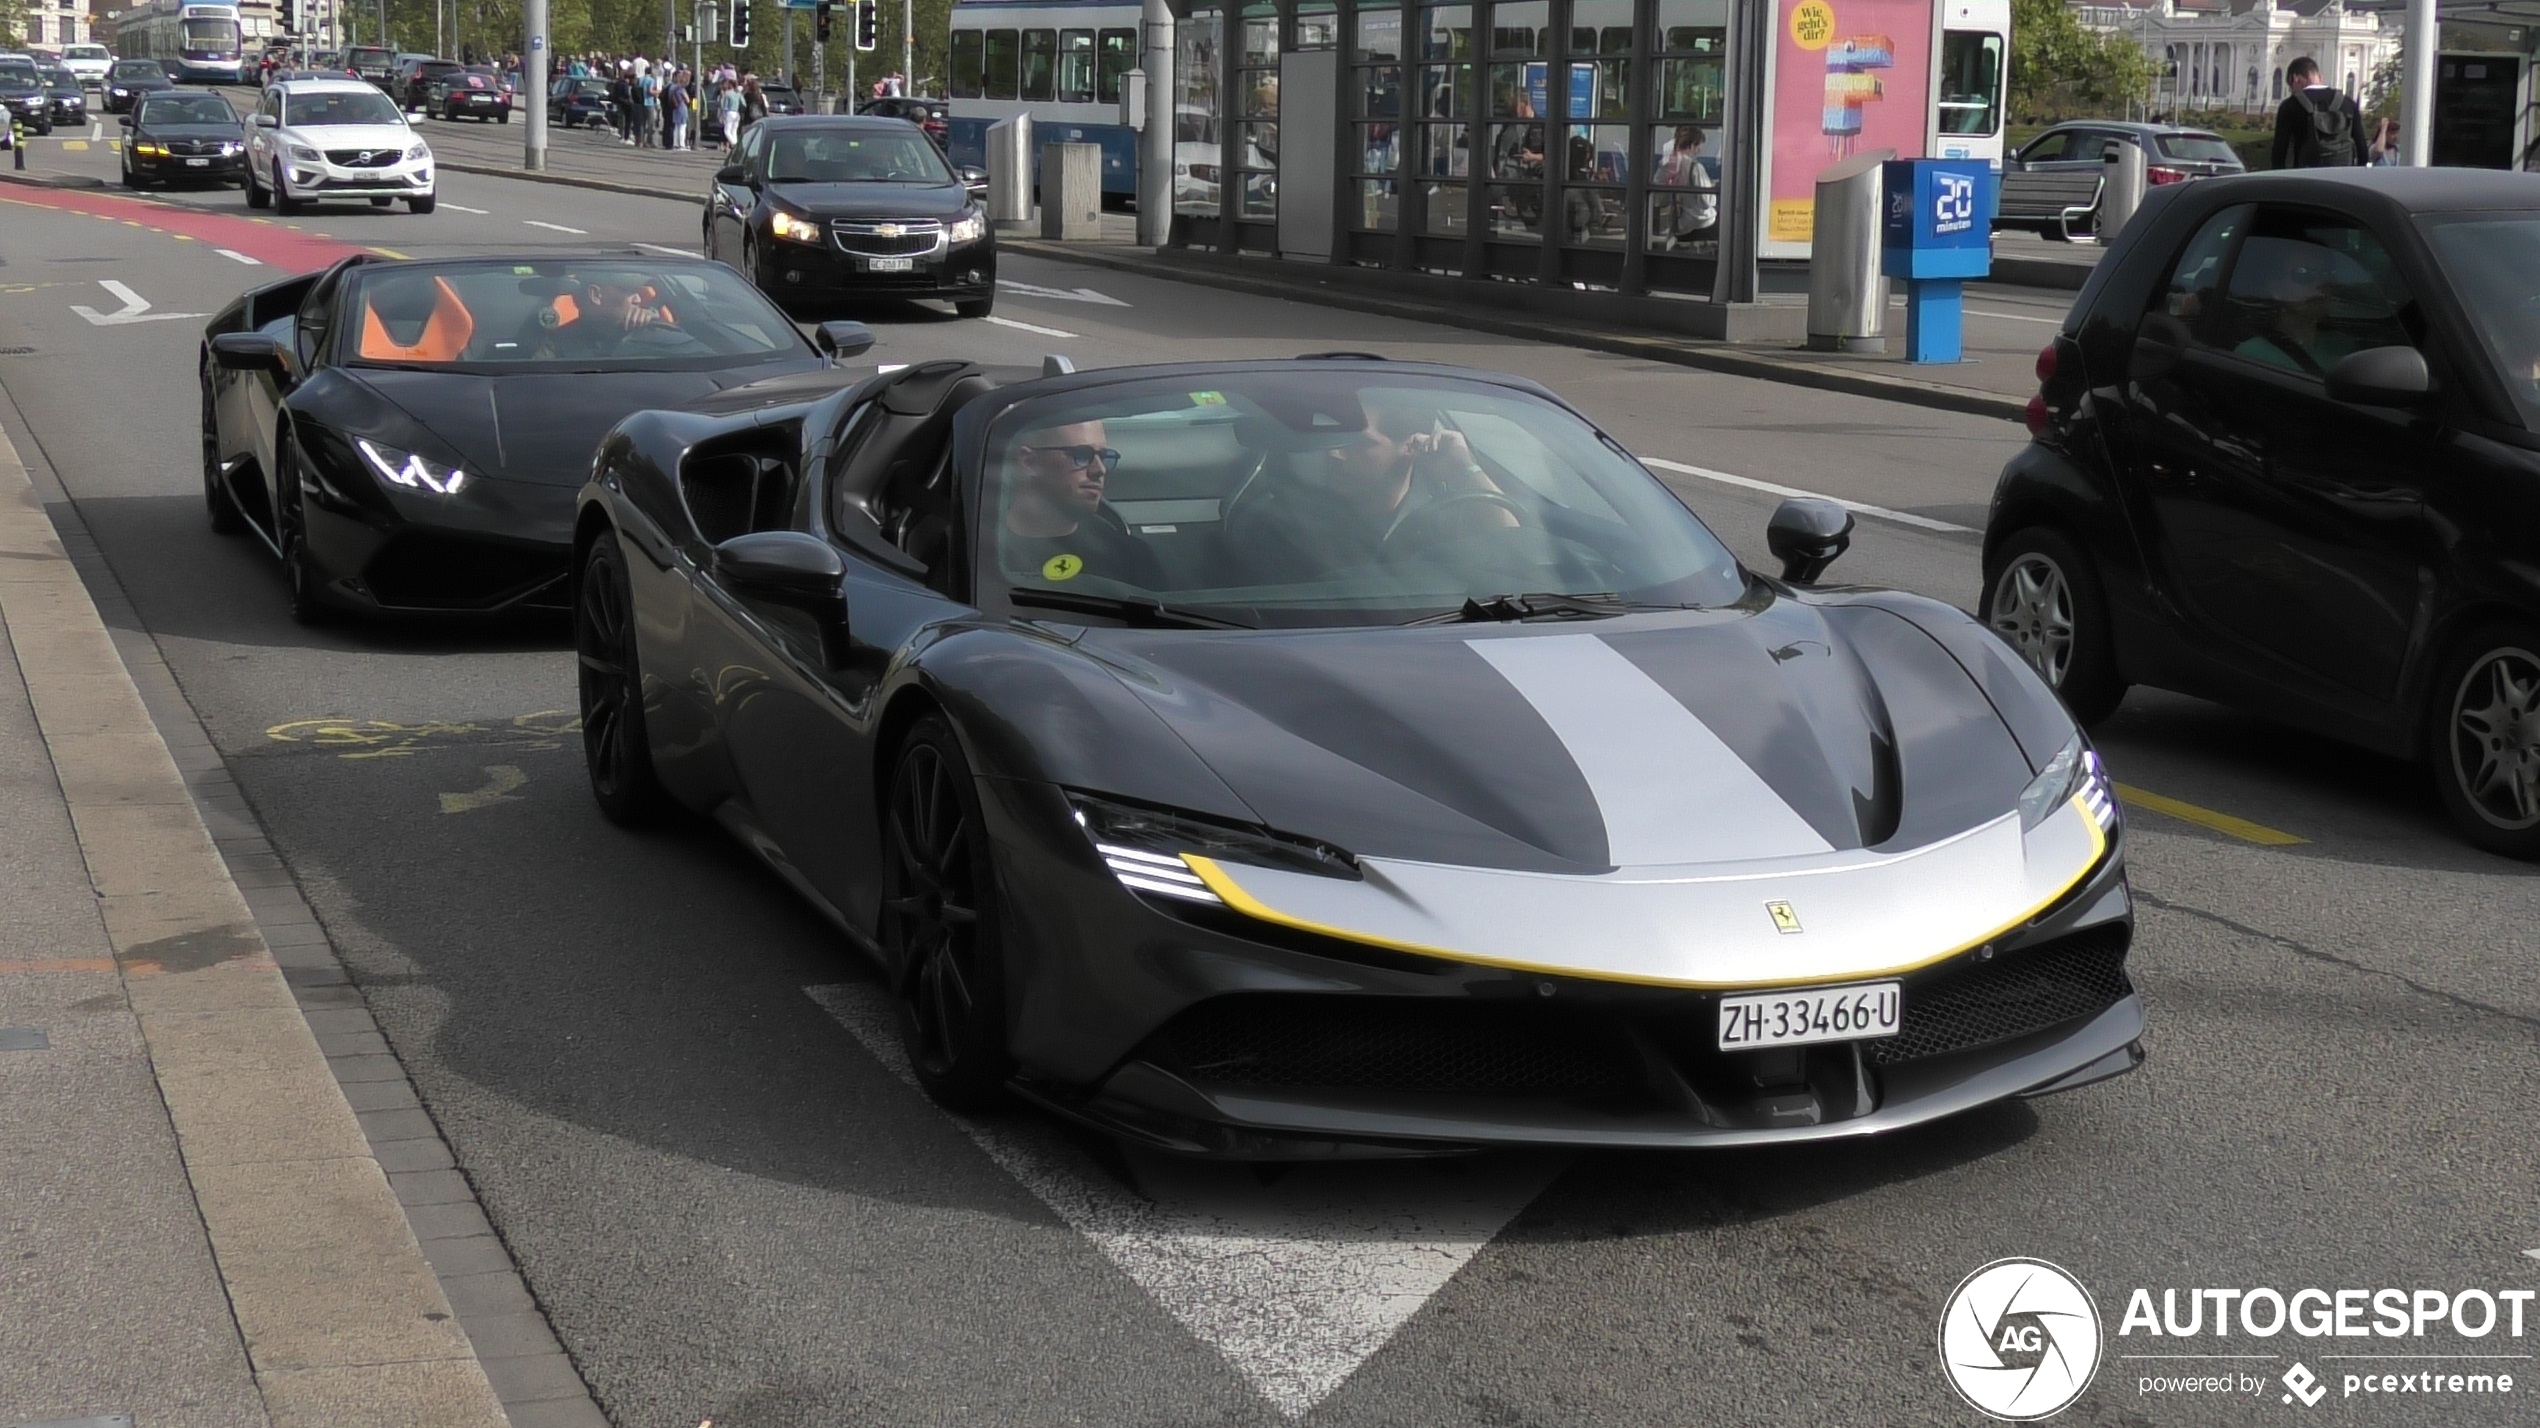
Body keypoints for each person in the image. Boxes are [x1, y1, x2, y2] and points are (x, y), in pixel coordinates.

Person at [1231, 397, 1521, 583]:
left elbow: (1519, 554)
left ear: (1410, 446)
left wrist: (1465, 470)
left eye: (1360, 443)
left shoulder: (1447, 519)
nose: (1335, 454)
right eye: (1335, 440)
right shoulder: (1292, 523)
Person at [996, 419, 1161, 588]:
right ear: (1028, 462)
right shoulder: (980, 551)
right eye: (1081, 455)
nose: (1099, 470)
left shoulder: (1131, 558)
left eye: (1103, 457)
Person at [2230, 239, 2357, 376]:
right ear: (2275, 288)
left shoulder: (2345, 346)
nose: (2320, 283)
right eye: (2304, 274)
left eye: (2328, 275)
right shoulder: (2252, 354)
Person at [534, 271, 675, 360]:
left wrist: (656, 326)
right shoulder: (558, 343)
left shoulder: (649, 330)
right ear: (596, 295)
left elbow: (687, 351)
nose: (638, 299)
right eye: (628, 291)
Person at [2271, 56, 2364, 169]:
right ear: (2320, 77)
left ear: (2295, 79)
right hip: (2343, 179)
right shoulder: (2348, 103)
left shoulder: (2290, 106)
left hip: (2306, 180)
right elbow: (2362, 150)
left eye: (2291, 87)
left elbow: (2279, 153)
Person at [1653, 124, 1717, 249]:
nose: (1699, 150)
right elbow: (1706, 202)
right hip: (1701, 224)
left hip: (1680, 226)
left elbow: (1658, 198)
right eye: (1699, 146)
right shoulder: (1695, 167)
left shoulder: (1665, 165)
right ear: (1692, 144)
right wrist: (1712, 189)